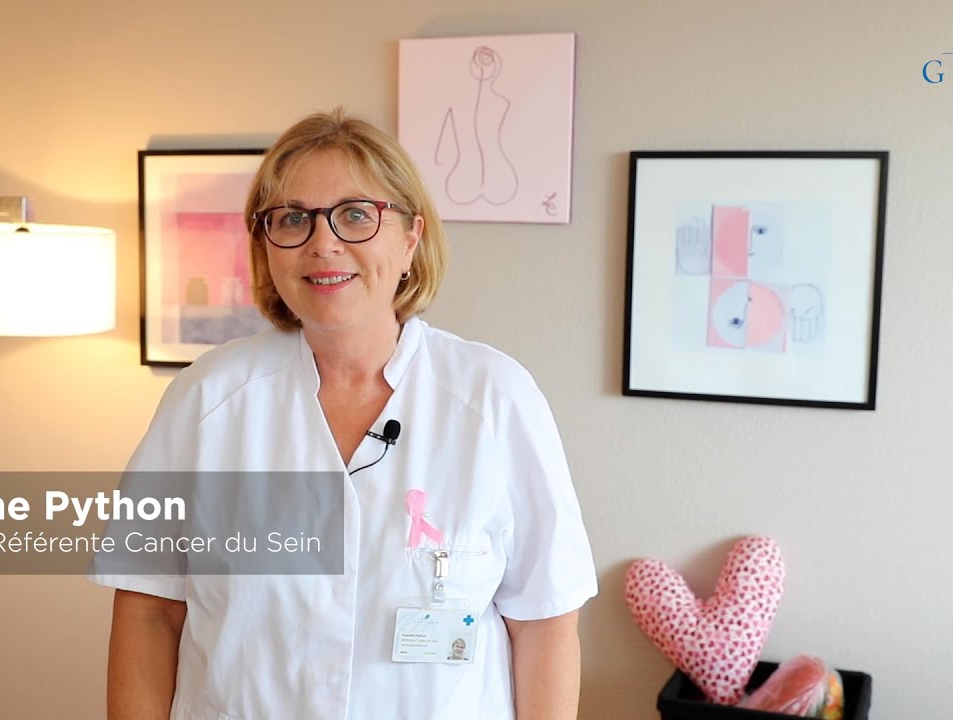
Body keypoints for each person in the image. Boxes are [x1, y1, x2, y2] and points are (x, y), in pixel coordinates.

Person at [90, 108, 597, 719]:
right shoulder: (207, 400)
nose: (323, 243)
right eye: (292, 218)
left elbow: (545, 623)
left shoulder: (495, 398)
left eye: (356, 214)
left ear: (410, 238)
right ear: (267, 248)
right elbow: (149, 610)